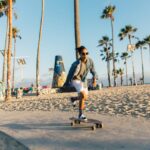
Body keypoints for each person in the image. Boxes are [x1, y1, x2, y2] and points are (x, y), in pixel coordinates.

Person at [64, 46, 98, 120]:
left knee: (85, 97)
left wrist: (94, 79)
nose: (85, 55)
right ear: (80, 54)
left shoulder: (90, 61)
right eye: (83, 53)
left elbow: (93, 71)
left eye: (87, 53)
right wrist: (66, 83)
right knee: (83, 95)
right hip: (75, 80)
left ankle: (73, 99)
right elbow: (69, 74)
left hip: (83, 81)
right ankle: (80, 115)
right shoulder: (76, 64)